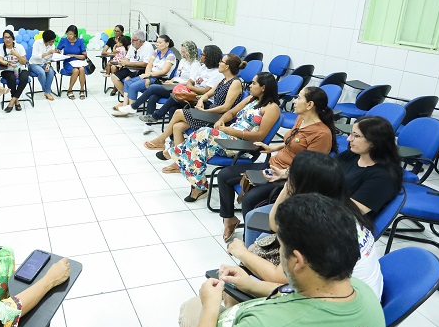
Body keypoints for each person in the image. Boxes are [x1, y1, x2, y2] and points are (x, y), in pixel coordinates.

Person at [107, 193, 385, 327]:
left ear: (298, 261)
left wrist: (211, 306)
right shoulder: (358, 291)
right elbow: (286, 294)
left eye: (282, 247)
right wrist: (248, 282)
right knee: (192, 307)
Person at [225, 150, 384, 301]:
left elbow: (278, 276)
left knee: (235, 287)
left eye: (290, 175)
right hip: (356, 295)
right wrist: (290, 185)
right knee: (255, 251)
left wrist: (242, 252)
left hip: (338, 304)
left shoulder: (314, 222)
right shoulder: (342, 206)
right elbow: (274, 224)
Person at [218, 86, 337, 241]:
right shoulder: (301, 119)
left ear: (310, 105)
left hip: (288, 178)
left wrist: (284, 173)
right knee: (224, 175)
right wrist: (272, 148)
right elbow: (292, 142)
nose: (294, 101)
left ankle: (250, 245)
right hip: (273, 166)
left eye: (299, 98)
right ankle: (230, 220)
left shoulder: (321, 134)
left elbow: (310, 168)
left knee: (249, 200)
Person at [162, 72, 281, 202]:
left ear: (263, 87)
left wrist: (230, 131)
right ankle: (197, 185)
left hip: (241, 144)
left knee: (204, 134)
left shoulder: (272, 108)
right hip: (230, 136)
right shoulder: (252, 99)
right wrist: (222, 120)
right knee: (198, 145)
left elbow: (260, 135)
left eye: (253, 83)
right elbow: (231, 112)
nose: (250, 86)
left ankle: (177, 154)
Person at [143, 53, 244, 152]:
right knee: (177, 127)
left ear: (227, 66)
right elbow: (207, 94)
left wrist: (206, 111)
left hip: (219, 118)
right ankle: (179, 159)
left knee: (178, 112)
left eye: (221, 61)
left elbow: (226, 107)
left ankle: (161, 140)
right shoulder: (224, 80)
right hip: (210, 113)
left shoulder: (235, 82)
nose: (219, 63)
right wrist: (200, 101)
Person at [112, 40, 200, 119]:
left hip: (182, 88)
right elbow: (177, 75)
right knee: (153, 97)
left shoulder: (195, 64)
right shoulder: (183, 61)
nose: (182, 54)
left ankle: (133, 107)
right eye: (182, 52)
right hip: (172, 84)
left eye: (184, 52)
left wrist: (174, 83)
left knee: (153, 88)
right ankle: (148, 123)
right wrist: (171, 80)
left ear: (190, 52)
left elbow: (190, 83)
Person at [337, 116, 403, 216]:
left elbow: (350, 212)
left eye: (357, 136)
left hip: (344, 222)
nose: (349, 138)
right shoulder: (352, 155)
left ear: (374, 142)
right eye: (351, 133)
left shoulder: (383, 177)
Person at [115, 34, 176, 110]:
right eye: (157, 42)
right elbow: (149, 65)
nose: (157, 44)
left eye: (160, 43)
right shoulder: (156, 51)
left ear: (167, 44)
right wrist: (147, 76)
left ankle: (131, 109)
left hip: (158, 78)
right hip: (149, 75)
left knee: (133, 86)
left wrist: (149, 75)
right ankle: (125, 106)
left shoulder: (171, 56)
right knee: (127, 83)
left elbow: (164, 71)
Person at [110, 29, 154, 98]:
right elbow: (127, 58)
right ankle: (126, 97)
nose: (131, 42)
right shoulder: (132, 46)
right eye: (131, 39)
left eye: (133, 40)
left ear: (140, 41)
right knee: (114, 77)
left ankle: (129, 99)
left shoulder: (147, 46)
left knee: (128, 79)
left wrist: (128, 63)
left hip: (141, 69)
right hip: (130, 67)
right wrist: (122, 62)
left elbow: (146, 64)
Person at [0, 29, 31, 112]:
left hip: (20, 68)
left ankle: (12, 101)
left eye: (9, 37)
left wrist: (17, 54)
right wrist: (9, 64)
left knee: (24, 78)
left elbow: (23, 62)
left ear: (13, 38)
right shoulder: (0, 46)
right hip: (7, 70)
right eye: (5, 38)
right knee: (11, 79)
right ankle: (16, 101)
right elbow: (0, 60)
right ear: (3, 38)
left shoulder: (19, 47)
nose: (7, 40)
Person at [56, 25, 88, 99]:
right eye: (68, 34)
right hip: (68, 62)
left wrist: (73, 55)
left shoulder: (80, 41)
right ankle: (70, 90)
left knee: (82, 69)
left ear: (75, 34)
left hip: (79, 62)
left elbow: (84, 56)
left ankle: (82, 90)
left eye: (71, 34)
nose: (69, 36)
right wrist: (58, 51)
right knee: (75, 70)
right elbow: (58, 50)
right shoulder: (63, 40)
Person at [28, 29, 58, 101]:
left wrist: (48, 64)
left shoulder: (52, 46)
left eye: (53, 41)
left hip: (44, 63)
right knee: (42, 72)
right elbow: (34, 56)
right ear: (46, 40)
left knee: (50, 72)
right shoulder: (37, 43)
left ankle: (47, 92)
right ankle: (47, 91)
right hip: (34, 63)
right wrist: (47, 53)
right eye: (51, 41)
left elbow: (49, 59)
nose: (52, 43)